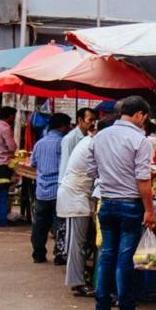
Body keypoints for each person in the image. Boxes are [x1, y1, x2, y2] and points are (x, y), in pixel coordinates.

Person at [85, 96, 156, 310]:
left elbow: (91, 171)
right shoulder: (140, 140)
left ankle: (101, 309)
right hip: (130, 204)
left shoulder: (100, 136)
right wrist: (150, 210)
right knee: (125, 259)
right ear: (139, 115)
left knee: (107, 256)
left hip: (106, 202)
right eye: (144, 117)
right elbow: (143, 180)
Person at [58, 120, 99, 297]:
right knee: (77, 243)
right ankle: (77, 282)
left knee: (81, 241)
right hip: (75, 196)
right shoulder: (92, 144)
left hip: (80, 195)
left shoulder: (90, 142)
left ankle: (81, 277)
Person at [27, 113, 70, 263]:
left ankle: (38, 254)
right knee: (59, 224)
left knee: (40, 224)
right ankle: (59, 255)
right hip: (57, 190)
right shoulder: (63, 143)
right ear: (62, 126)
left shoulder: (39, 143)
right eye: (68, 126)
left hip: (41, 190)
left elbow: (33, 164)